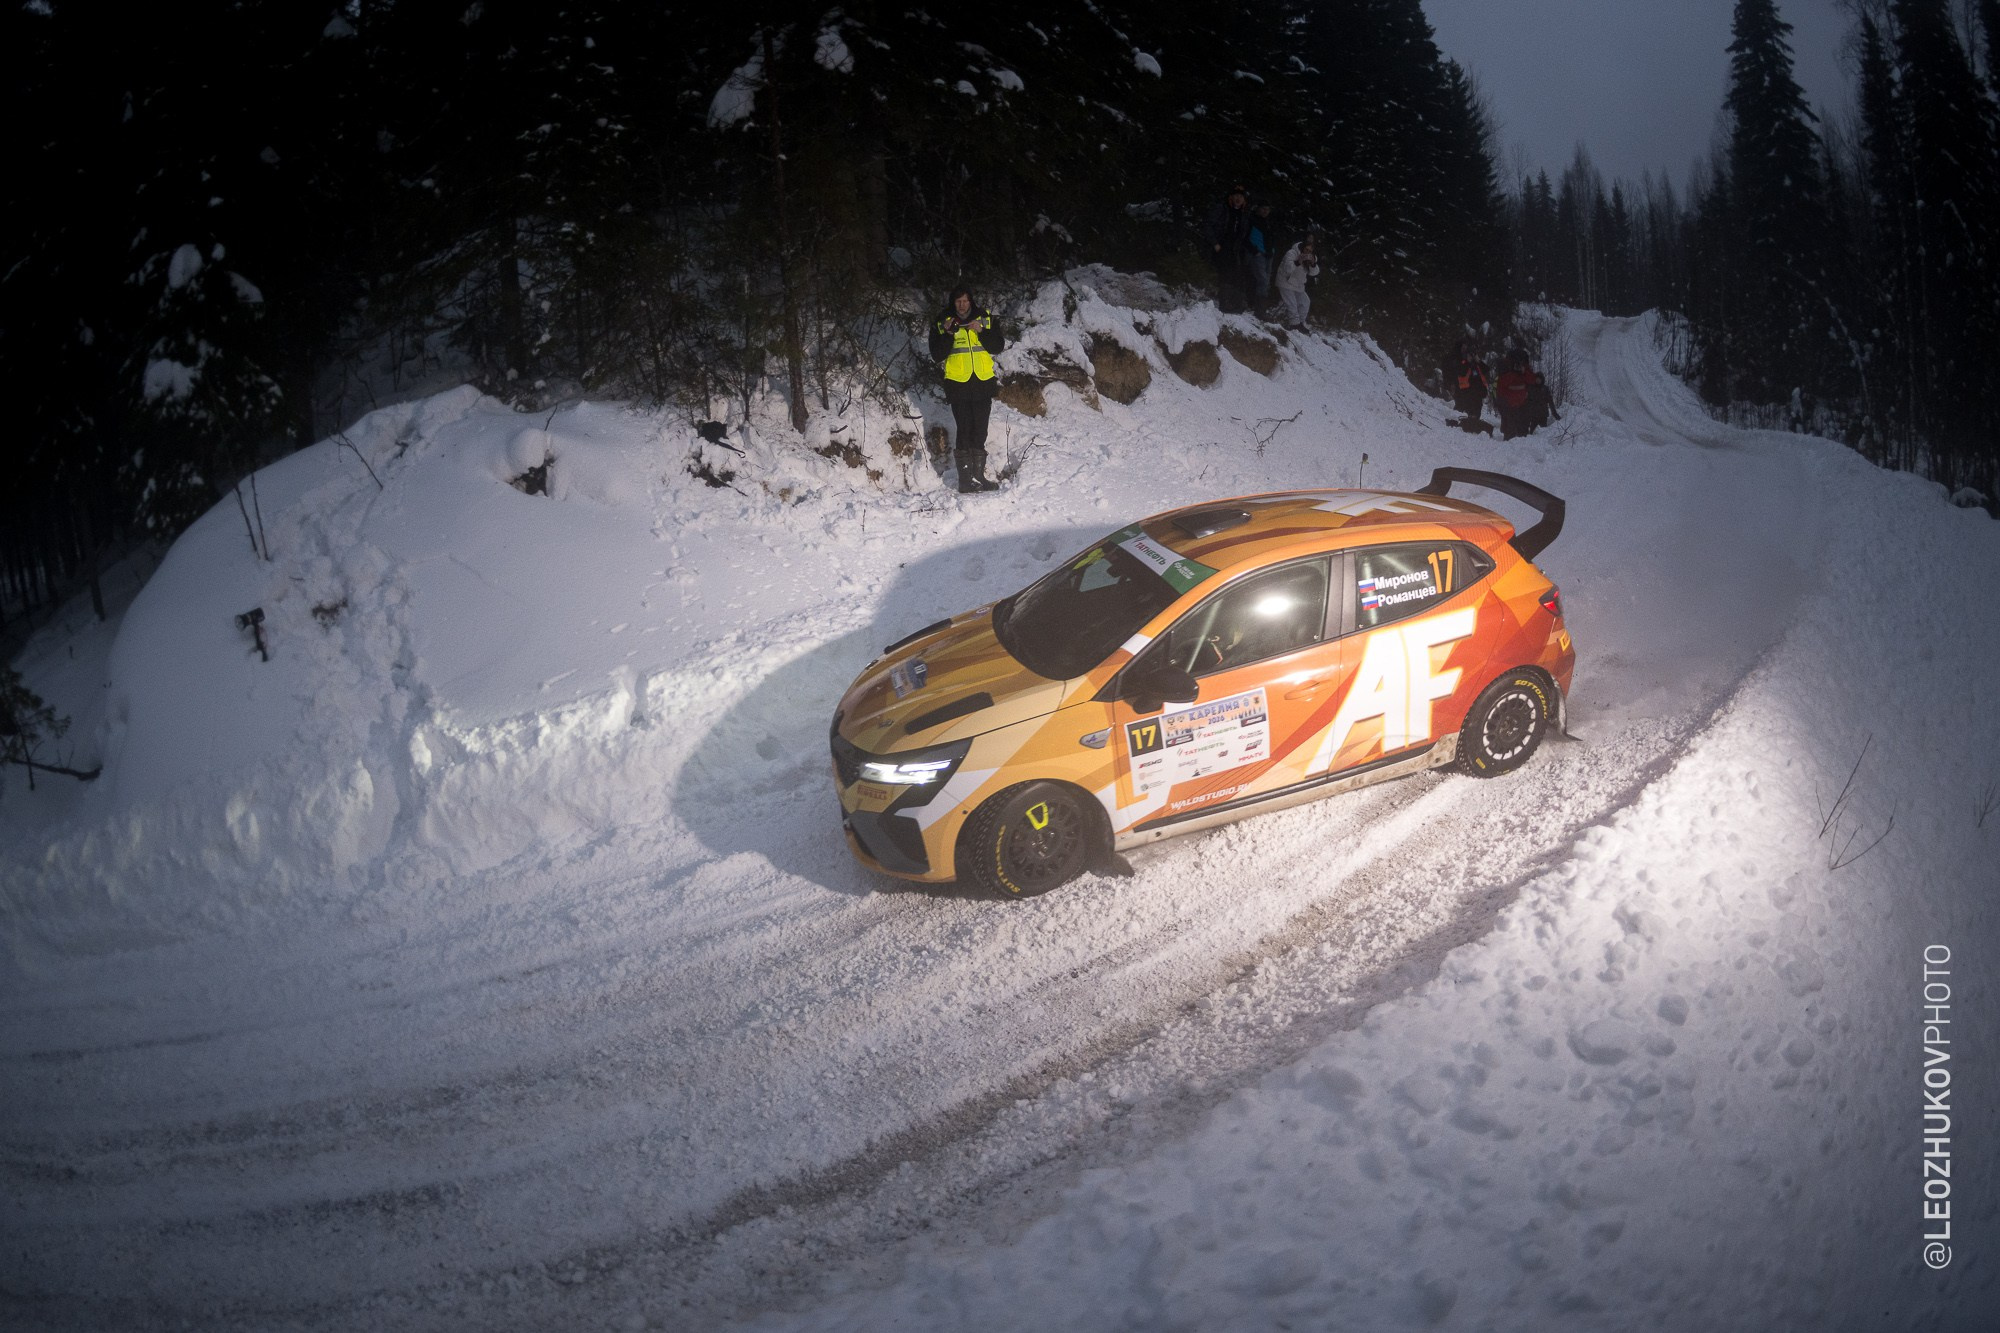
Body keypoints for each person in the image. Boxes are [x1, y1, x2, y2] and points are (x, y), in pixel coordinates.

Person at [928, 286, 1005, 492]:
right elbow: (937, 354)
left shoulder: (985, 319)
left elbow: (997, 346)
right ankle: (965, 481)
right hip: (958, 384)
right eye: (958, 301)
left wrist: (982, 332)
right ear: (953, 303)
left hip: (982, 382)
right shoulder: (942, 321)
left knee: (980, 430)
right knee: (965, 430)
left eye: (965, 301)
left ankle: (979, 477)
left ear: (971, 301)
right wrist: (947, 333)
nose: (962, 305)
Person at [1202, 185, 1256, 314]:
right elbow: (1207, 225)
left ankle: (1235, 304)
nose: (1238, 199)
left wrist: (1253, 250)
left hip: (1234, 250)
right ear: (1231, 197)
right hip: (1221, 246)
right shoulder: (1222, 209)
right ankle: (1224, 304)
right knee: (1225, 274)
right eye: (1236, 196)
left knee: (1236, 275)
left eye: (1241, 197)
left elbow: (1243, 235)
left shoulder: (1243, 215)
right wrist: (1215, 243)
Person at [1493, 345, 1543, 439]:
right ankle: (1508, 447)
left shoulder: (1525, 369)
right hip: (1508, 404)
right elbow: (1502, 384)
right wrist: (1514, 372)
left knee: (1523, 430)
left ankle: (1520, 446)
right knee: (1510, 431)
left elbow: (1532, 380)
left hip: (1522, 404)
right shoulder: (1505, 370)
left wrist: (1524, 372)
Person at [1273, 235, 1320, 328]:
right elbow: (1287, 268)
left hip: (1298, 284)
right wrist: (1298, 262)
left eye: (1310, 251)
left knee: (1305, 302)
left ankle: (1301, 323)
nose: (1307, 253)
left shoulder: (1310, 258)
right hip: (1285, 281)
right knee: (1292, 304)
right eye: (1306, 250)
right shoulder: (1292, 253)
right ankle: (1294, 325)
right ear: (1303, 247)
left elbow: (1314, 273)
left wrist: (1313, 264)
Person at [1446, 340, 1490, 432]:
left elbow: (1486, 370)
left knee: (1476, 414)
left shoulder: (1478, 365)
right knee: (1464, 412)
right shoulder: (1463, 363)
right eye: (1470, 354)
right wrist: (1468, 361)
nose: (1472, 356)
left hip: (1478, 394)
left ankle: (1474, 428)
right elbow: (1460, 372)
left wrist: (1478, 361)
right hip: (1466, 394)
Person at [1248, 202, 1277, 309]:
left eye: (1267, 209)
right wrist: (1254, 251)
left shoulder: (1269, 222)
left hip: (1269, 254)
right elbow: (1245, 237)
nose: (1265, 211)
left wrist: (1272, 251)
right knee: (1262, 279)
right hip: (1258, 253)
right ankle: (1259, 306)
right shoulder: (1252, 220)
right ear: (1258, 208)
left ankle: (1259, 304)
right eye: (1263, 208)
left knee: (1266, 280)